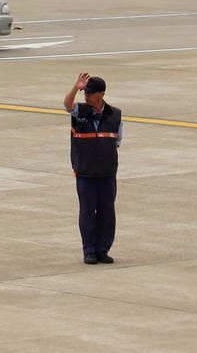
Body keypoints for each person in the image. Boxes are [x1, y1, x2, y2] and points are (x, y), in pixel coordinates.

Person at [63, 72, 122, 265]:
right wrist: (75, 87)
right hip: (85, 173)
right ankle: (89, 250)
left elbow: (117, 141)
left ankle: (102, 250)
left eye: (89, 93)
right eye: (84, 93)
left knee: (107, 212)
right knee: (87, 212)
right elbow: (67, 105)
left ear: (101, 94)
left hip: (106, 173)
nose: (86, 96)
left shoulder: (115, 115)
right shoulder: (80, 112)